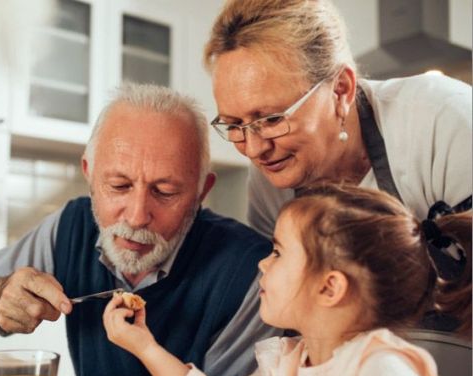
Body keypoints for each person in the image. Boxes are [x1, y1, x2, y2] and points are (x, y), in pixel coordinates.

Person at [0, 83, 278, 376]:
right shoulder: (70, 227)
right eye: (119, 185)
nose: (136, 216)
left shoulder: (251, 274)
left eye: (165, 192)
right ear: (89, 173)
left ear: (202, 191)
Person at [103, 184, 471, 376]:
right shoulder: (289, 362)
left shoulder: (380, 370)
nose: (263, 263)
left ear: (329, 288)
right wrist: (145, 346)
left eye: (278, 252)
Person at [202, 0, 472, 238]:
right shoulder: (270, 183)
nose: (254, 149)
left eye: (272, 120)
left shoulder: (442, 121)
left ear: (341, 90)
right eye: (235, 125)